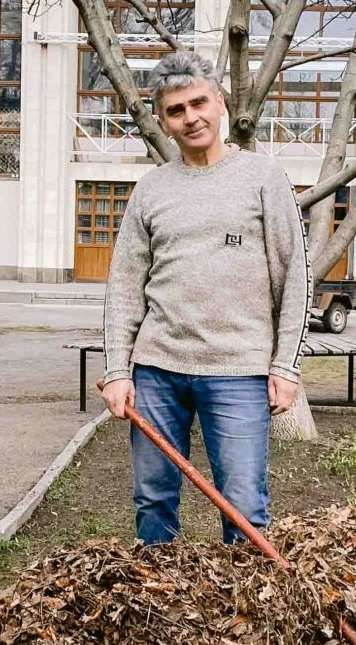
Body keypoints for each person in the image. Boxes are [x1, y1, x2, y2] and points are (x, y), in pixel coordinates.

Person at [98, 50, 310, 544]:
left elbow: (295, 277)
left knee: (244, 506)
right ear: (163, 121)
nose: (191, 117)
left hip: (239, 369)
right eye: (176, 110)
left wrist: (285, 366)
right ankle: (157, 603)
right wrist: (117, 370)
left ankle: (247, 613)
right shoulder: (151, 190)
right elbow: (125, 286)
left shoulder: (263, 178)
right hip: (157, 371)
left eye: (198, 103)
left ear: (220, 102)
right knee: (152, 499)